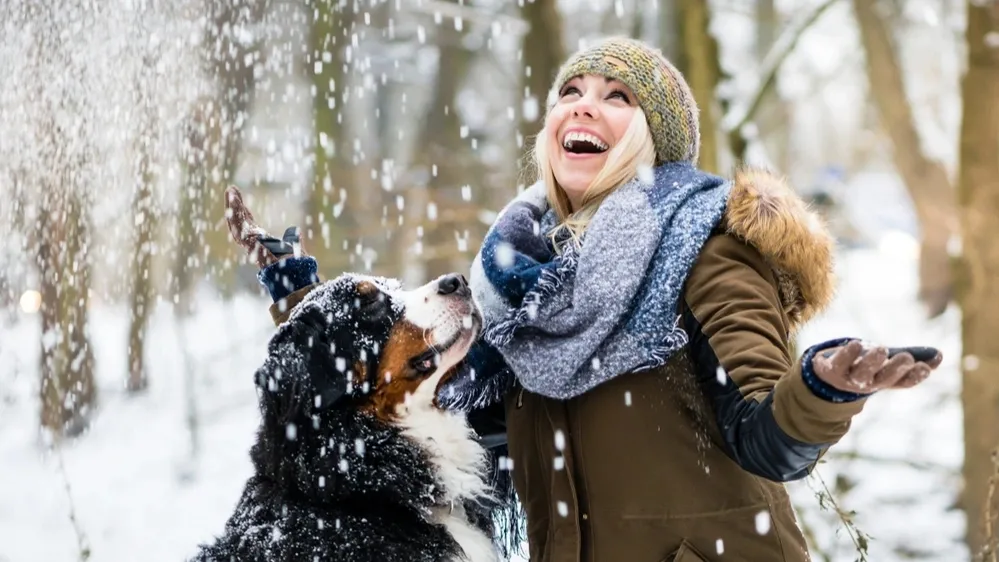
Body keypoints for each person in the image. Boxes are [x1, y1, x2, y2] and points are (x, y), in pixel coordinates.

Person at [226, 37, 943, 562]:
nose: (584, 106)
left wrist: (821, 388)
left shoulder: (705, 250)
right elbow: (430, 419)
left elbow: (767, 440)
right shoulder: (517, 278)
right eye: (570, 93)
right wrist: (307, 311)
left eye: (616, 97)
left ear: (652, 141)